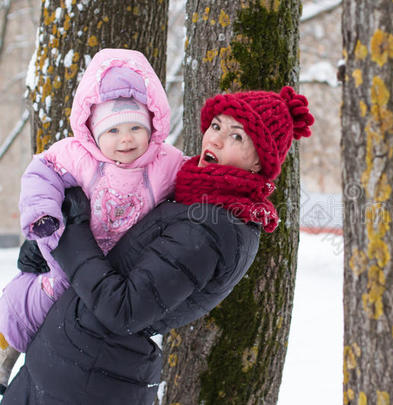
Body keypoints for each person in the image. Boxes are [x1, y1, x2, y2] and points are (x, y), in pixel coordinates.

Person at [2, 85, 314, 404]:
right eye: (217, 126)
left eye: (237, 136)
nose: (215, 139)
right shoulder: (196, 198)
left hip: (86, 381)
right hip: (71, 366)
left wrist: (72, 235)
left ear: (259, 163)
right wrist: (56, 239)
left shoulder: (213, 229)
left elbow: (124, 310)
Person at [0, 48, 185, 391]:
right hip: (65, 260)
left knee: (71, 329)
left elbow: (193, 180)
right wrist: (43, 215)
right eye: (113, 130)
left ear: (152, 125)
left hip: (112, 274)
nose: (126, 139)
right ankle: (4, 354)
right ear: (94, 132)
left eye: (135, 127)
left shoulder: (164, 162)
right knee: (26, 306)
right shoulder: (77, 155)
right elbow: (42, 174)